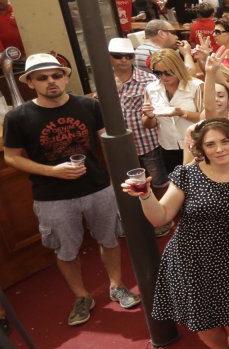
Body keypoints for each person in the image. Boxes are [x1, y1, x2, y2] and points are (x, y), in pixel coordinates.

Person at [120, 119, 229, 349]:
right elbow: (160, 217)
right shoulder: (187, 174)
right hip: (189, 258)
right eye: (210, 144)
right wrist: (145, 194)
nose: (219, 148)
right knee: (204, 320)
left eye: (225, 141)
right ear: (200, 148)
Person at [4, 53, 141, 327]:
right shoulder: (19, 117)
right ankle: (82, 296)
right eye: (42, 78)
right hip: (51, 196)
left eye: (56, 75)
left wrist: (114, 178)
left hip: (97, 188)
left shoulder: (87, 106)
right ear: (30, 82)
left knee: (110, 239)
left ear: (66, 77)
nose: (51, 82)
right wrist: (52, 171)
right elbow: (12, 156)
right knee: (65, 251)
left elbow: (107, 141)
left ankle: (117, 285)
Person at [109, 38, 166, 193]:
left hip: (148, 142)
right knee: (128, 187)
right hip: (120, 146)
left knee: (160, 183)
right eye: (117, 56)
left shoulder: (148, 79)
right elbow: (99, 109)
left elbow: (159, 109)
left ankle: (165, 216)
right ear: (109, 57)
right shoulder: (104, 81)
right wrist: (110, 90)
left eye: (128, 56)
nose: (123, 60)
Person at [144, 48, 203, 173]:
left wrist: (181, 113)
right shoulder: (151, 88)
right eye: (158, 73)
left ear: (178, 68)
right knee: (177, 184)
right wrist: (149, 116)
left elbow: (206, 117)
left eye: (168, 73)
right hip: (168, 146)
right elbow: (149, 124)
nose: (163, 77)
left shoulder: (195, 86)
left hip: (196, 145)